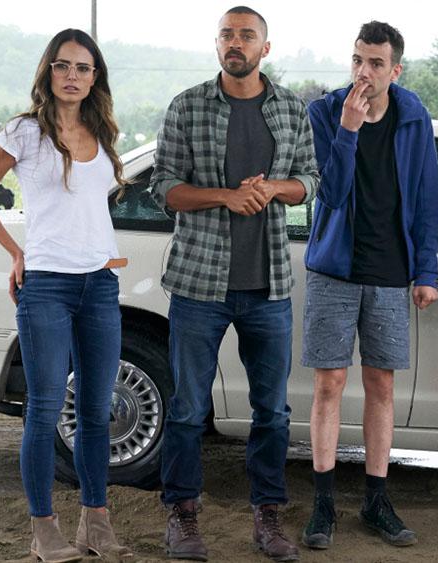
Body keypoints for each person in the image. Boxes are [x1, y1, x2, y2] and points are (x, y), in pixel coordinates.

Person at [149, 5, 319, 562]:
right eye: (227, 34)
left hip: (268, 284)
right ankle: (182, 514)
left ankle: (268, 516)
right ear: (216, 44)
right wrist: (225, 195)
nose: (235, 42)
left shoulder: (293, 109)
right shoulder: (187, 106)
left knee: (272, 410)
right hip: (199, 283)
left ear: (265, 48)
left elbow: (310, 183)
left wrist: (272, 188)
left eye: (247, 35)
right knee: (187, 409)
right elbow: (164, 188)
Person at [0, 28, 133, 562]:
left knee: (96, 411)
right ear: (48, 70)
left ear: (95, 77)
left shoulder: (102, 130)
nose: (73, 76)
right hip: (47, 287)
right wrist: (17, 253)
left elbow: (90, 209)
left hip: (100, 286)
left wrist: (101, 253)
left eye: (84, 68)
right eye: (64, 66)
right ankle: (44, 530)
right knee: (43, 410)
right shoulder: (23, 132)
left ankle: (96, 525)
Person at [300, 20, 438, 551]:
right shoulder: (325, 112)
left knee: (381, 387)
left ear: (395, 70)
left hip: (390, 272)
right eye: (358, 60)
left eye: (376, 63)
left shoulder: (413, 115)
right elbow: (329, 195)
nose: (364, 72)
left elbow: (428, 197)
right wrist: (348, 129)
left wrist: (425, 272)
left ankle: (376, 500)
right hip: (333, 268)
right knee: (328, 384)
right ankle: (322, 504)